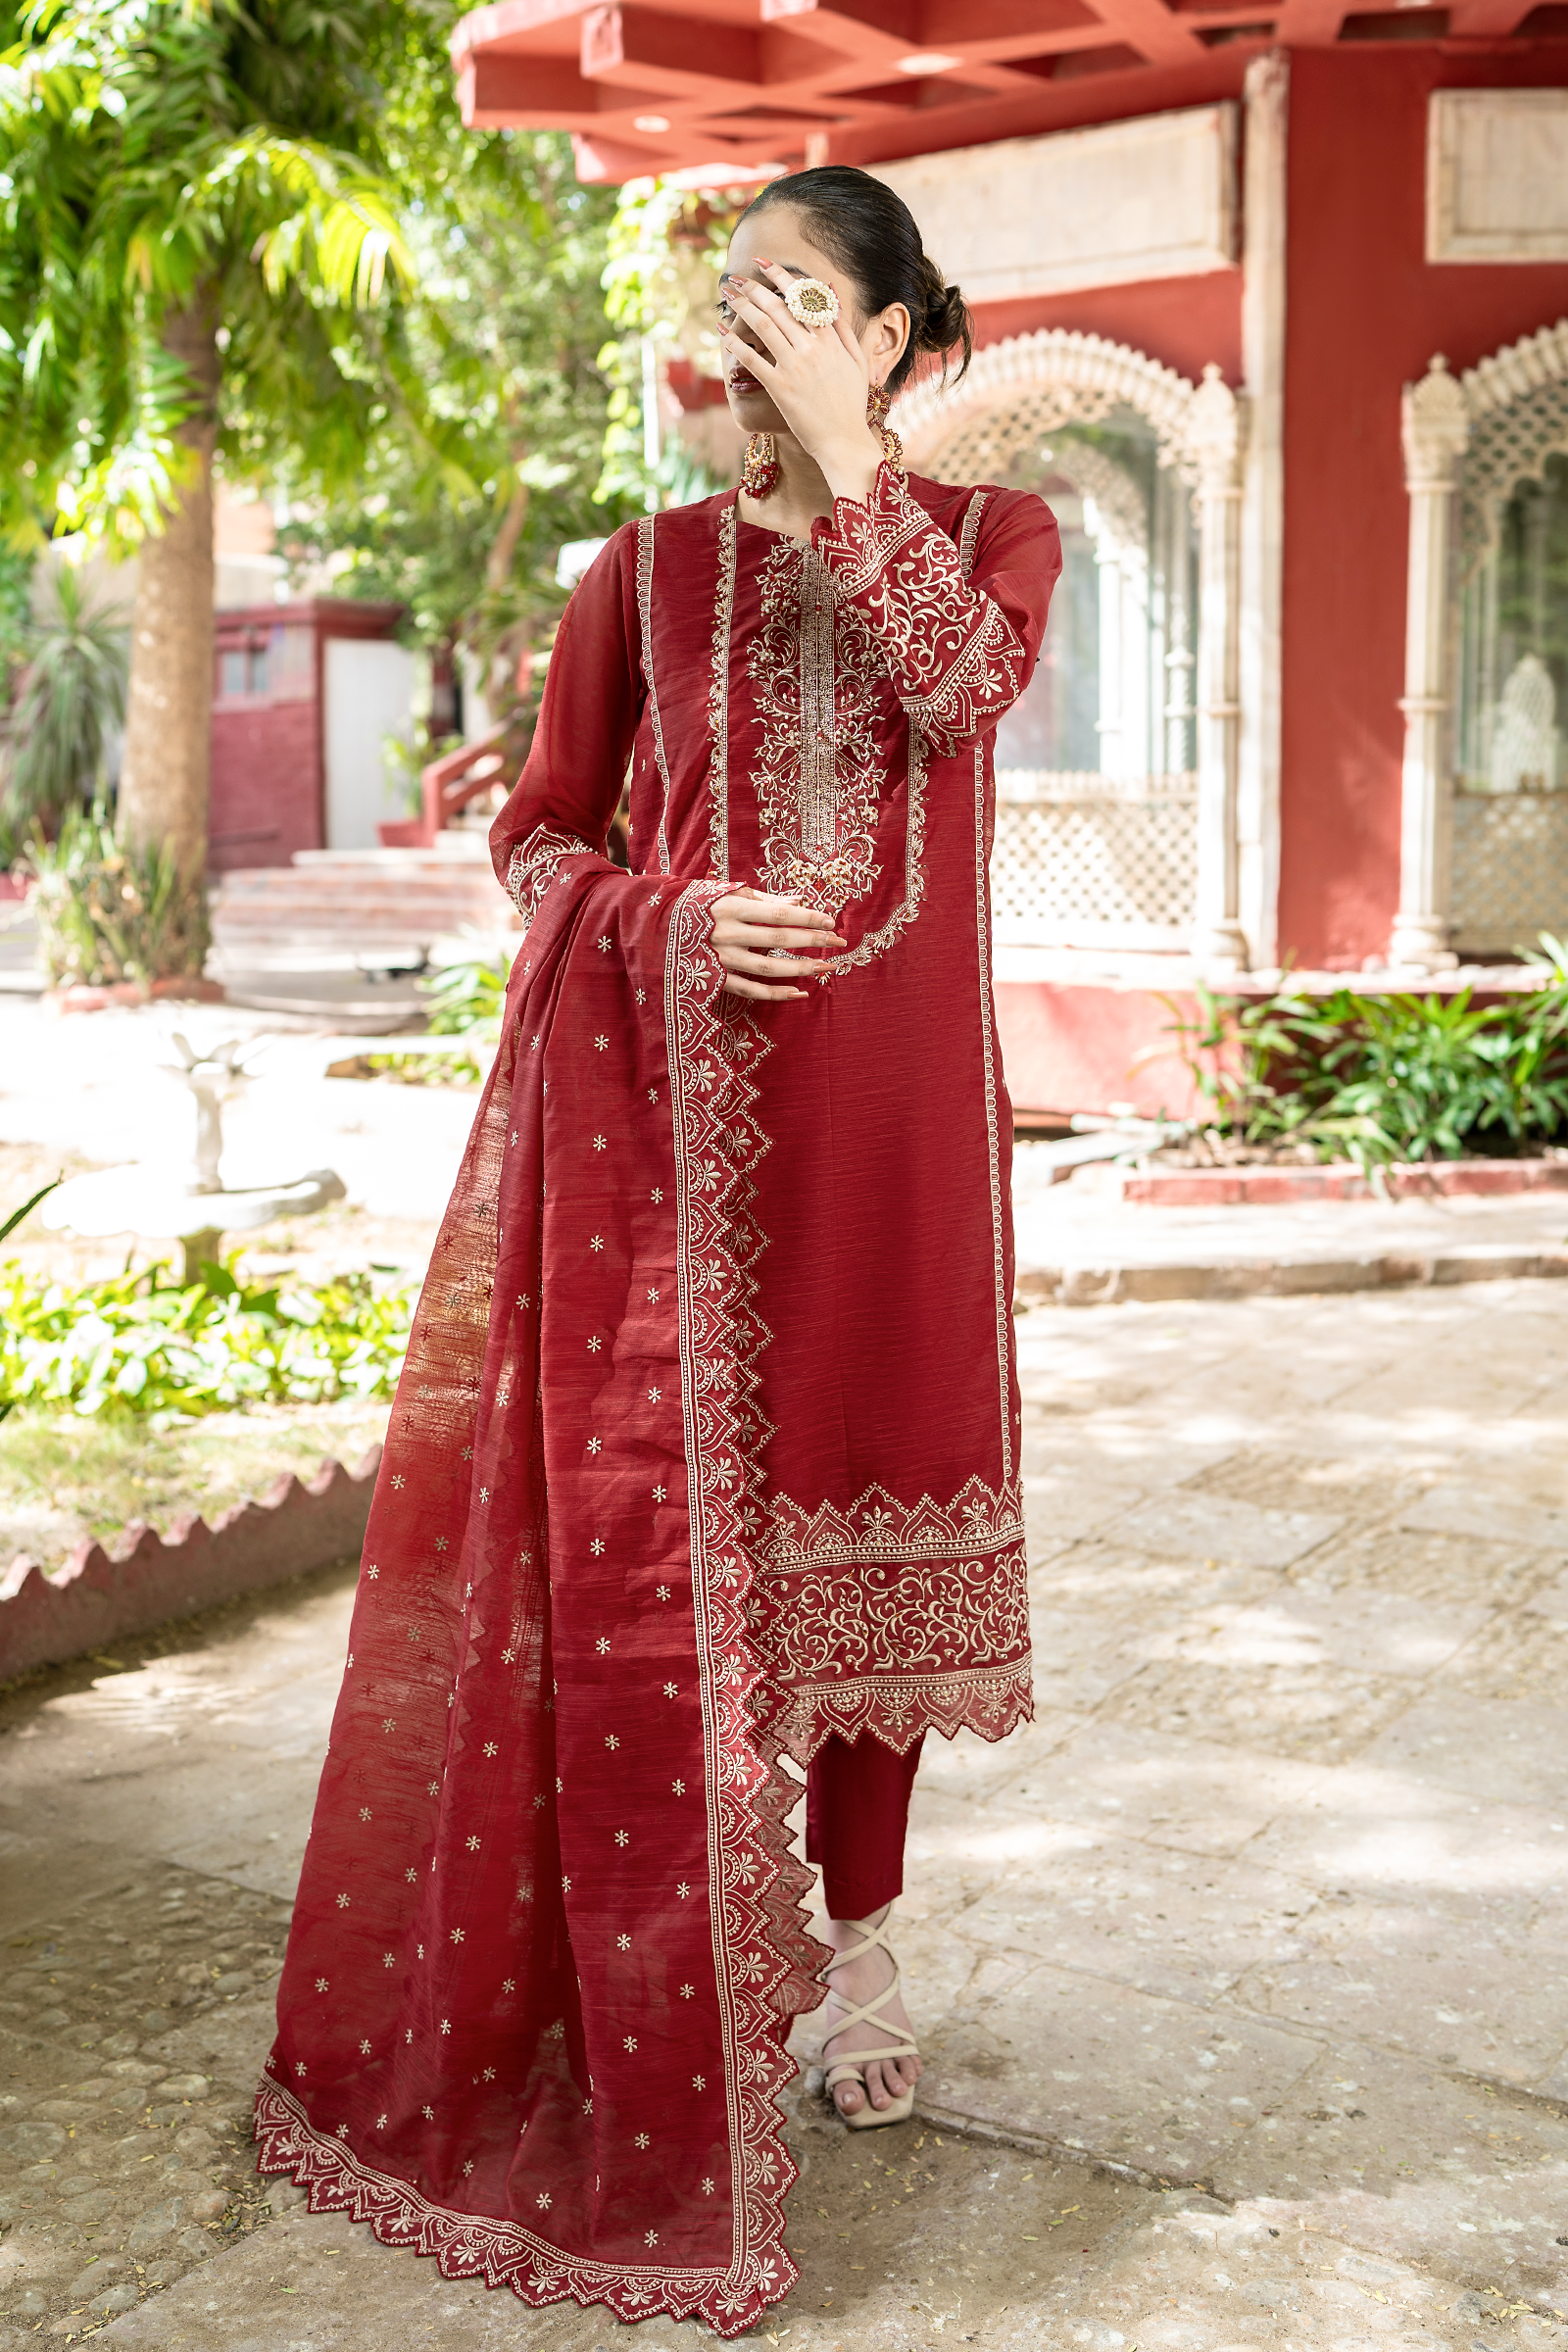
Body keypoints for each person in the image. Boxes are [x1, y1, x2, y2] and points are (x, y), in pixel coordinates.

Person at [257, 165, 1062, 2339]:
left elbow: (957, 696)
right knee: (663, 1559)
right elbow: (539, 838)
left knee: (874, 1546)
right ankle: (658, 1972)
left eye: (798, 294)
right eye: (734, 293)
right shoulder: (640, 573)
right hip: (676, 1141)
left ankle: (857, 1946)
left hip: (896, 1146)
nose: (748, 325)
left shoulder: (993, 534)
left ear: (886, 333)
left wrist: (859, 466)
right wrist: (667, 918)